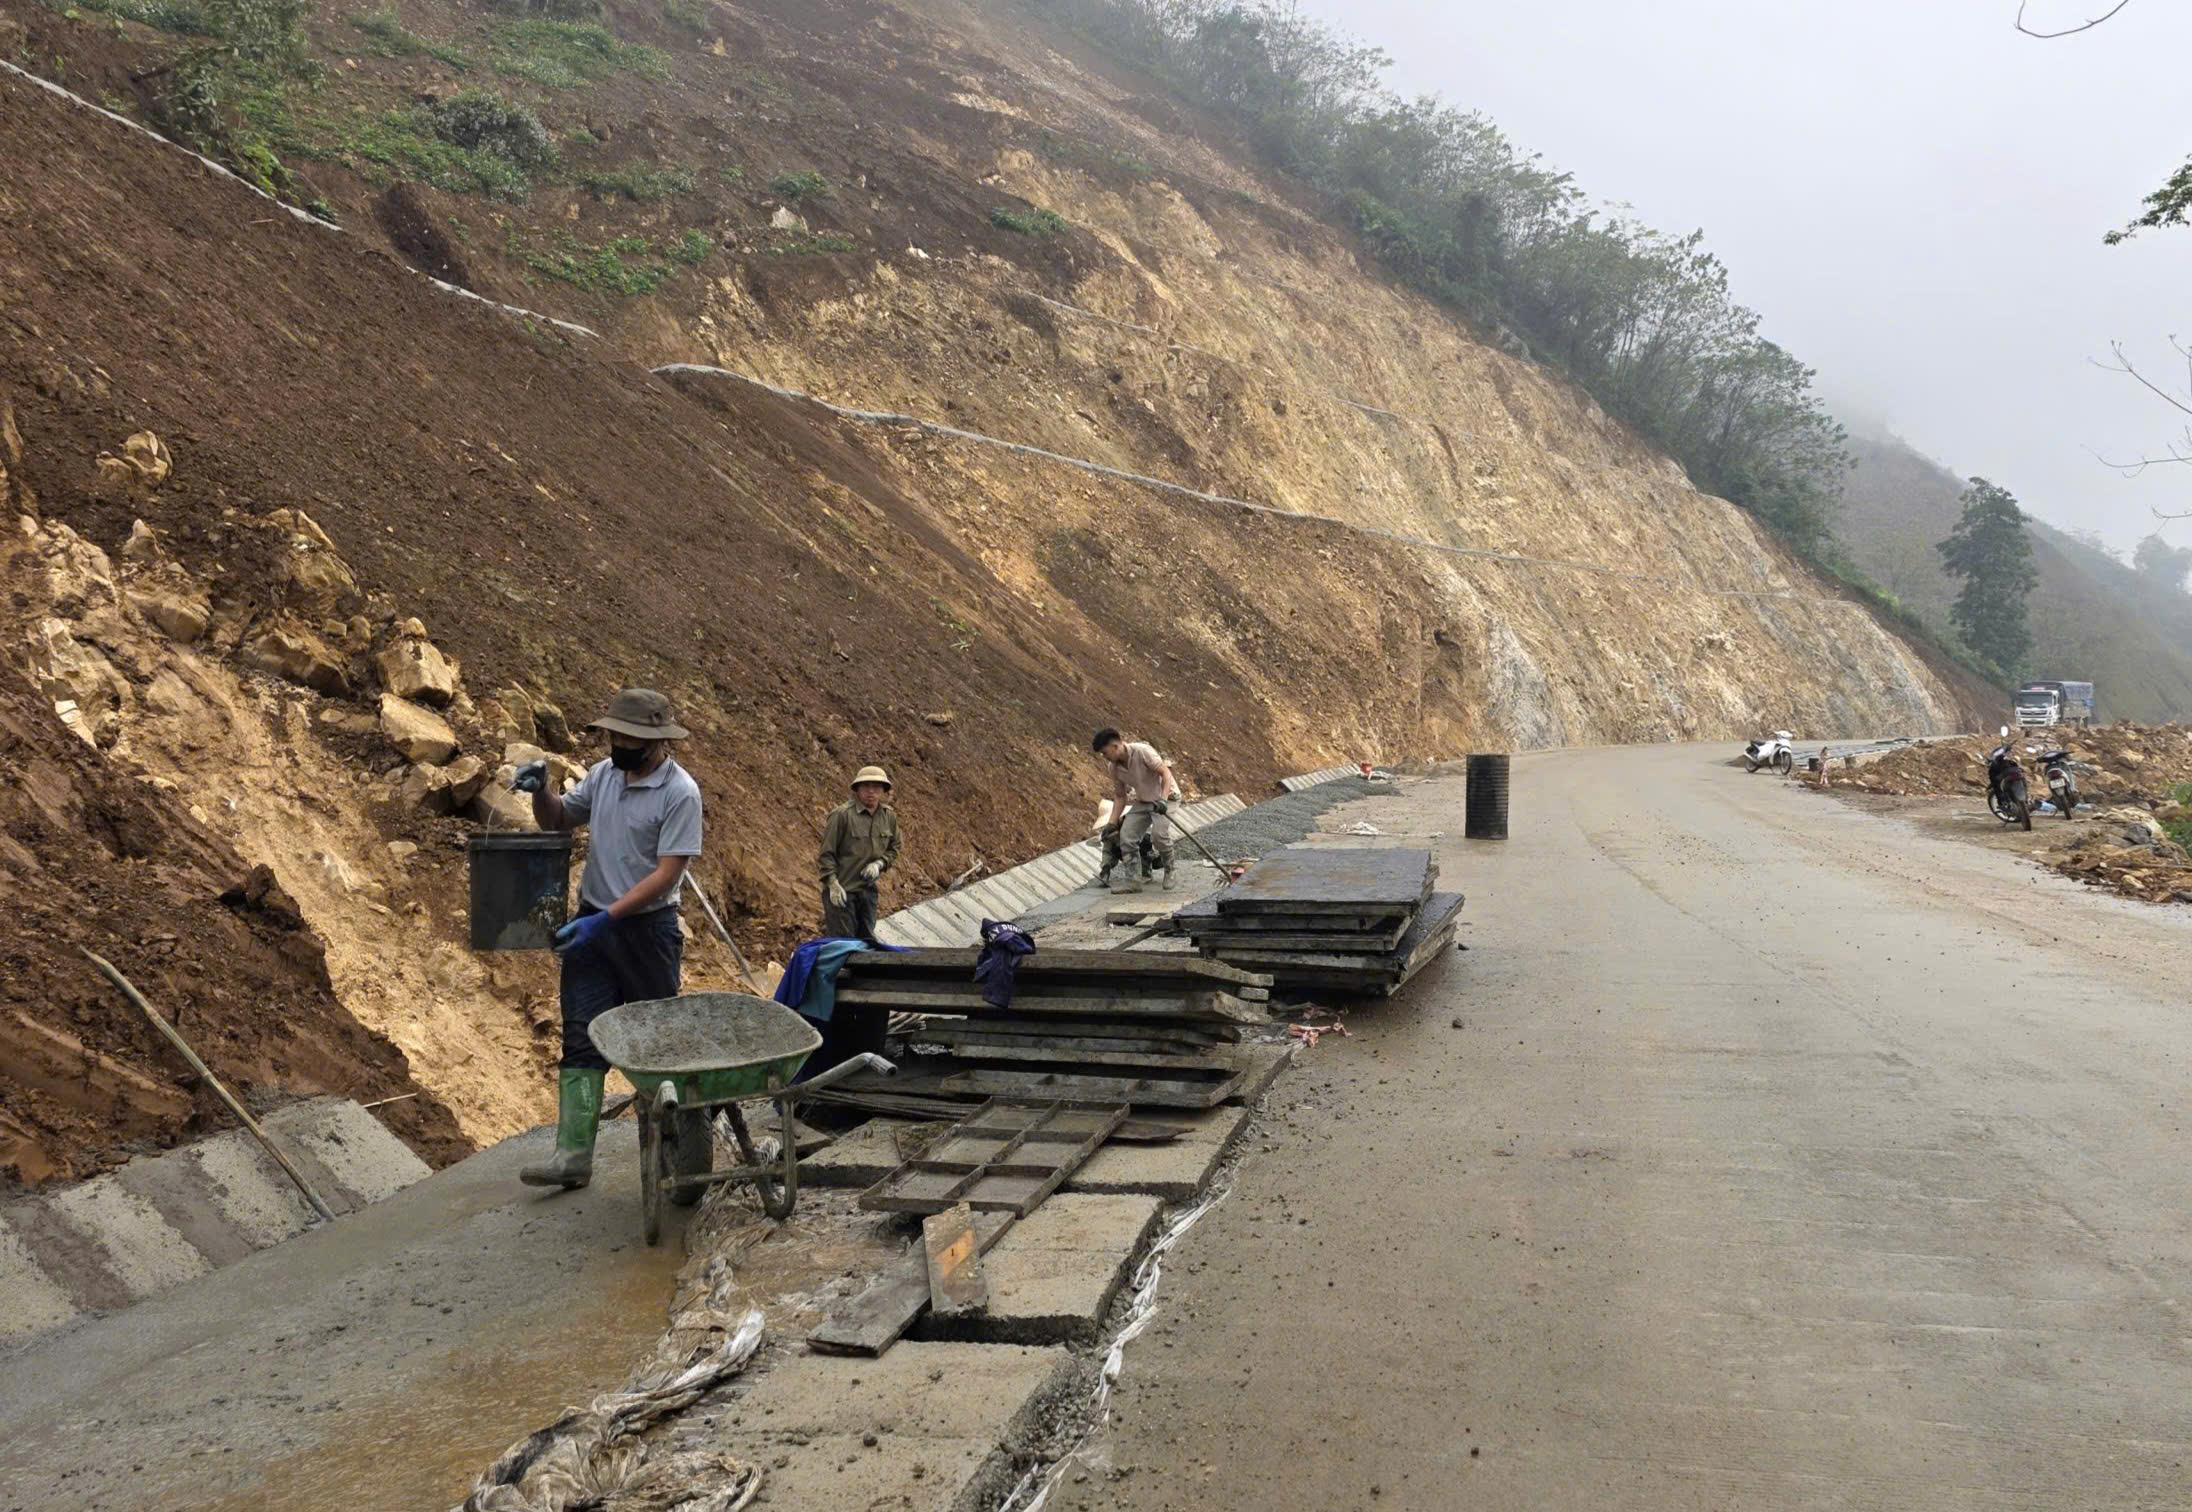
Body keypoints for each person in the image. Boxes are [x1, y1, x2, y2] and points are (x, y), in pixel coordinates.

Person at [510, 688, 704, 1190]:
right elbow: (558, 821)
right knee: (580, 1036)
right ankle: (572, 1155)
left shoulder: (680, 792)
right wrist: (540, 791)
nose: (618, 743)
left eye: (629, 737)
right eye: (614, 734)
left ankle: (674, 1153)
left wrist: (609, 917)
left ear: (656, 740)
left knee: (656, 1046)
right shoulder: (603, 776)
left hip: (647, 932)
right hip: (591, 929)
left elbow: (667, 874)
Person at [1091, 727, 1181, 890]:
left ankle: (1170, 870)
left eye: (1105, 752)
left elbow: (1165, 774)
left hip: (1167, 797)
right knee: (1127, 836)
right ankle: (1134, 881)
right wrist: (1111, 823)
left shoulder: (1143, 751)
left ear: (1115, 746)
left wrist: (1163, 800)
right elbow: (1120, 797)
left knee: (1159, 835)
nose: (1105, 757)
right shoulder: (1113, 767)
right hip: (1144, 800)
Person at [818, 765, 900, 943]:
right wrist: (832, 883)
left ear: (884, 791)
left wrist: (879, 864)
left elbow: (894, 847)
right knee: (843, 945)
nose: (871, 791)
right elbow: (826, 854)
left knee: (866, 942)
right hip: (842, 892)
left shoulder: (888, 817)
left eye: (876, 787)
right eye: (866, 786)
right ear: (857, 790)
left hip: (867, 892)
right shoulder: (842, 815)